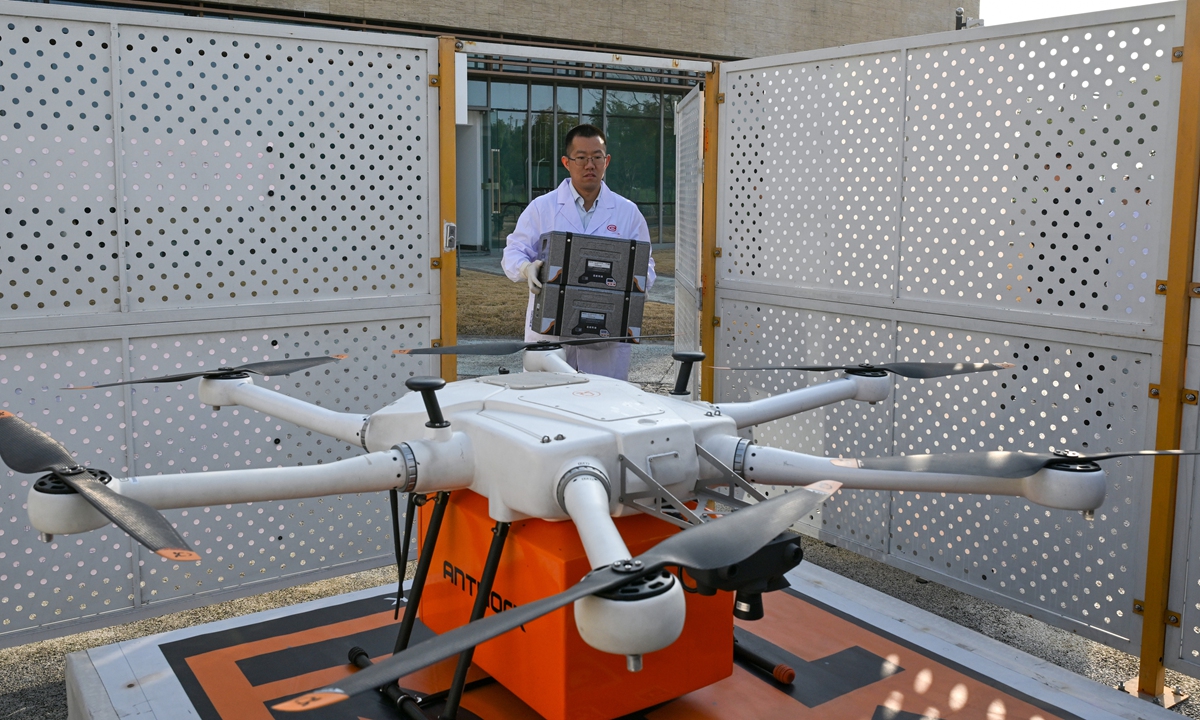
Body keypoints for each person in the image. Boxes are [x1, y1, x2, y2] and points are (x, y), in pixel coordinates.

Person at [501, 124, 655, 380]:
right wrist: (526, 268)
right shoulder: (543, 208)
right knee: (551, 410)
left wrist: (635, 286)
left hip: (605, 339)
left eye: (596, 157)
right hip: (551, 338)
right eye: (581, 158)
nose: (589, 165)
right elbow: (513, 252)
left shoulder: (627, 212)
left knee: (602, 411)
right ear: (566, 162)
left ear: (607, 161)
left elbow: (646, 265)